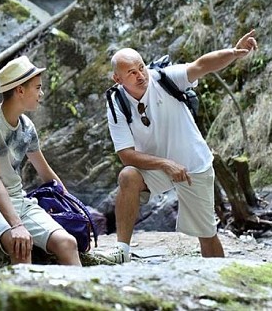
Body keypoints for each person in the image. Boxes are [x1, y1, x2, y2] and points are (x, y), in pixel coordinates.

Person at [106, 30, 258, 262]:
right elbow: (126, 155)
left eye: (141, 67)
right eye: (131, 72)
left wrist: (234, 53)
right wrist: (166, 164)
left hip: (193, 164)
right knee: (128, 176)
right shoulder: (116, 102)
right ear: (118, 79)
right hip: (157, 167)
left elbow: (201, 65)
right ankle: (122, 253)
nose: (140, 75)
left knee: (207, 234)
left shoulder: (165, 78)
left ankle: (222, 280)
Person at [0, 55, 81, 266]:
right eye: (37, 87)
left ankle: (81, 297)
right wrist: (17, 225)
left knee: (68, 243)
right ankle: (24, 296)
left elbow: (46, 174)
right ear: (20, 90)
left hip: (20, 201)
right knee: (20, 244)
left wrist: (74, 210)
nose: (41, 93)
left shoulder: (27, 127)